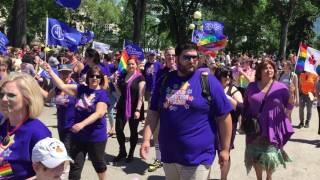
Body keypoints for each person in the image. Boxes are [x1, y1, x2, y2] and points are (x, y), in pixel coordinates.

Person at [140, 42, 233, 180]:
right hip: (169, 154)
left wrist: (225, 149)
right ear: (177, 59)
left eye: (195, 57)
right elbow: (153, 112)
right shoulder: (164, 80)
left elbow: (224, 117)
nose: (192, 61)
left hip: (198, 157)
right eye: (187, 57)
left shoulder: (209, 82)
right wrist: (146, 139)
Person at [43, 64, 109, 180]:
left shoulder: (102, 94)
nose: (94, 78)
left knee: (98, 164)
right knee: (75, 166)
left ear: (101, 79)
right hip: (79, 136)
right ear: (88, 77)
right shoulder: (81, 89)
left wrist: (82, 124)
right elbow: (62, 86)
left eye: (97, 76)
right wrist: (50, 72)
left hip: (95, 136)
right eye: (92, 76)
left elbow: (99, 113)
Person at [242, 60, 294, 180]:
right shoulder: (252, 86)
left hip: (272, 128)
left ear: (274, 71)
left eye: (271, 68)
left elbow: (289, 106)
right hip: (254, 128)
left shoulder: (281, 87)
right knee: (255, 156)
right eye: (265, 68)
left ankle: (269, 177)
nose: (269, 70)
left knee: (270, 156)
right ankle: (259, 178)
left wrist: (291, 94)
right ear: (259, 71)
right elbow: (245, 104)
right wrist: (242, 120)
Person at [0, 73, 52, 179]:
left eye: (11, 95)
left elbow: (50, 175)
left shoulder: (39, 133)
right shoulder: (3, 124)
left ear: (27, 99)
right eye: (1, 94)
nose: (4, 99)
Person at [148, 47, 176, 172]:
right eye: (168, 55)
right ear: (165, 56)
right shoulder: (161, 71)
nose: (171, 57)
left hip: (176, 111)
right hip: (160, 108)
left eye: (173, 55)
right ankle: (159, 159)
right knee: (157, 134)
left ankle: (174, 159)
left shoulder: (181, 71)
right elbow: (156, 89)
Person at [113, 56, 145, 163]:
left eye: (133, 64)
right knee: (118, 129)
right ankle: (122, 151)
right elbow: (120, 93)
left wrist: (138, 110)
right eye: (129, 64)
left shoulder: (140, 78)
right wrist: (115, 84)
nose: (130, 66)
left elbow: (141, 96)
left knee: (133, 131)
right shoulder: (123, 76)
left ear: (136, 65)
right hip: (122, 105)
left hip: (135, 107)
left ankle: (131, 153)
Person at [215, 66, 243, 180]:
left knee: (224, 152)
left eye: (228, 75)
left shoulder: (233, 89)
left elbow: (241, 107)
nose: (227, 77)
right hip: (212, 124)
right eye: (224, 75)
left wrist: (227, 98)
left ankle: (223, 178)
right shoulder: (213, 88)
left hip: (228, 126)